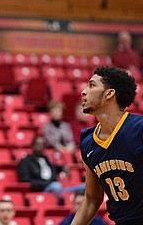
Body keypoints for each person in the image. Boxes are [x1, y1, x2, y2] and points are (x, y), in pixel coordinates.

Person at [71, 66, 143, 224]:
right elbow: (91, 199)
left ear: (109, 93)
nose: (84, 92)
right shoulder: (88, 141)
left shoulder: (139, 129)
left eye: (92, 85)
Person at [17, 135, 67, 205]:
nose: (40, 147)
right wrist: (45, 183)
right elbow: (25, 180)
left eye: (43, 145)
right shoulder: (26, 161)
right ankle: (59, 204)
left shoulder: (47, 160)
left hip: (54, 186)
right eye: (38, 144)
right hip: (42, 189)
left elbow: (54, 169)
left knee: (83, 187)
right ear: (33, 145)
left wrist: (62, 168)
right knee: (56, 186)